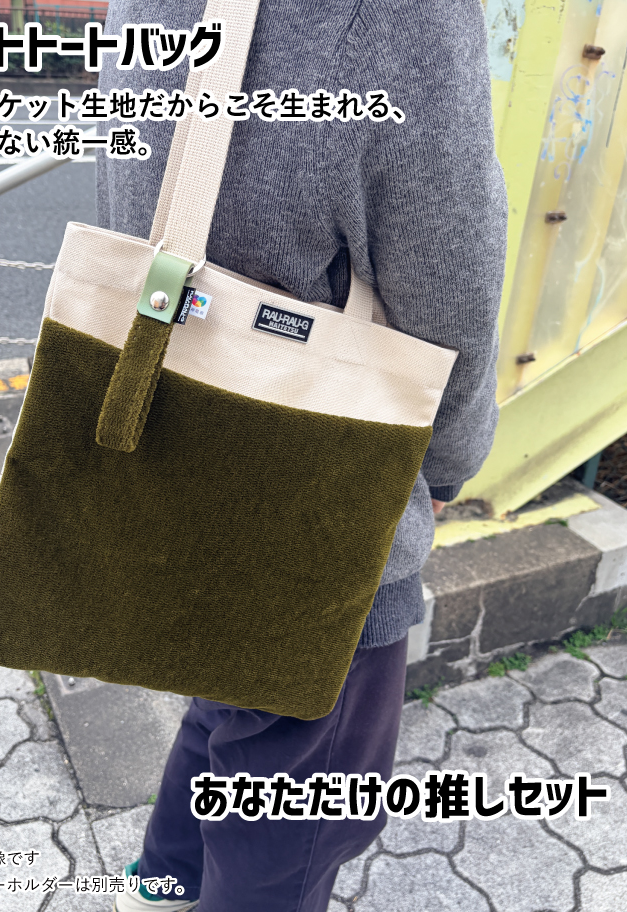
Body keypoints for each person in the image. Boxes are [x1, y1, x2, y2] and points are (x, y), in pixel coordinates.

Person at [96, 1, 507, 909]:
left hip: (171, 437)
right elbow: (450, 274)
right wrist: (446, 461)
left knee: (225, 694)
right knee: (295, 806)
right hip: (317, 482)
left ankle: (163, 884)